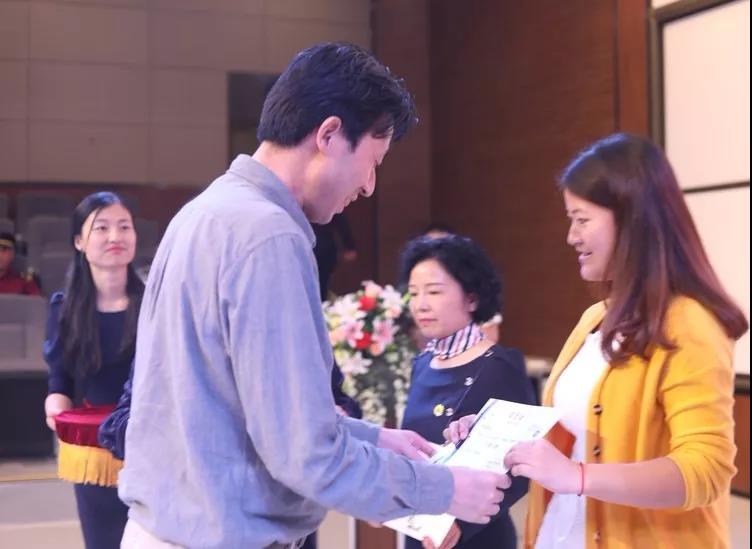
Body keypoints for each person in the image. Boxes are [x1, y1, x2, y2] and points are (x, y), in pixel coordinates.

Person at [118, 42, 510, 549]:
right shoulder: (269, 235)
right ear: (328, 135)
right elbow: (305, 455)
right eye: (372, 163)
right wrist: (445, 489)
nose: (369, 186)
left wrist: (374, 438)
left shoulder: (205, 212)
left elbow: (238, 412)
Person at [446, 133, 747, 548]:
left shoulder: (690, 324)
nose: (571, 236)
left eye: (582, 219)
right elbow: (573, 437)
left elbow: (706, 470)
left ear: (630, 220)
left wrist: (578, 477)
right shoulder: (595, 317)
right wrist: (495, 437)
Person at [401, 235, 535, 549]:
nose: (421, 304)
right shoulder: (423, 363)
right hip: (420, 529)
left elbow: (523, 467)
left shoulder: (499, 364)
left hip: (477, 535)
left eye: (434, 291)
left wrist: (462, 523)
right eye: (414, 293)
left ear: (472, 298)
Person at [43, 192, 143, 549]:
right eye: (102, 228)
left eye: (124, 226)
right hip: (95, 449)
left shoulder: (155, 302)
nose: (115, 236)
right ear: (79, 241)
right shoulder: (65, 308)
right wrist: (55, 403)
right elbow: (60, 379)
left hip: (150, 444)